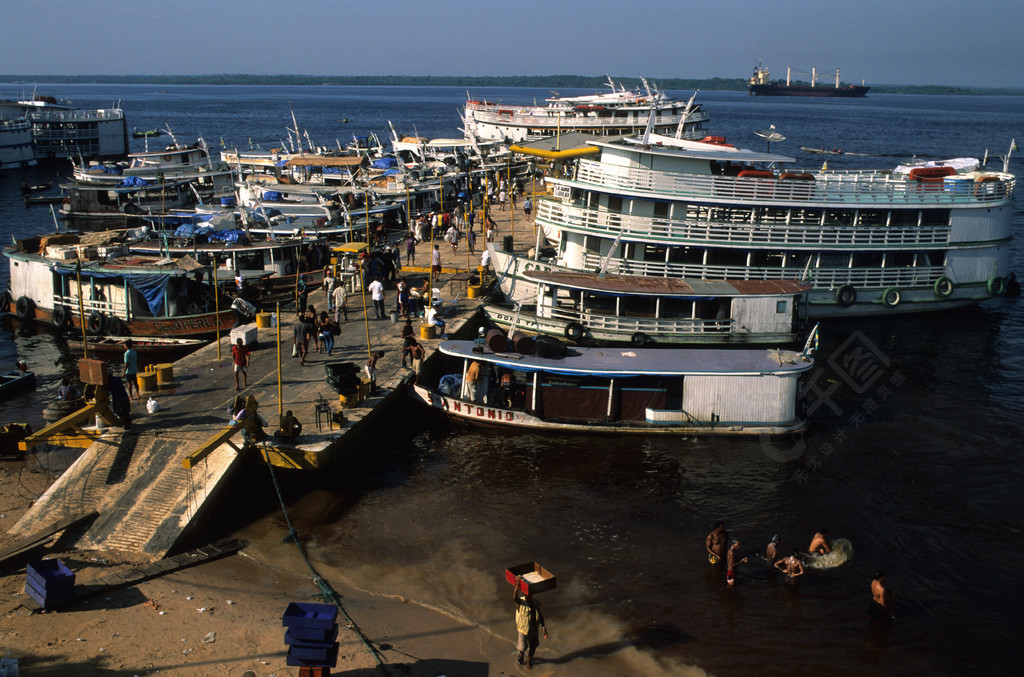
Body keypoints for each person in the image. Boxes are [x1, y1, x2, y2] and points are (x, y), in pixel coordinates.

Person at [513, 585, 547, 669]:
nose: (529, 596)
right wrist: (517, 585)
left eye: (531, 595)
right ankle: (521, 654)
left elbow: (540, 616)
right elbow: (514, 598)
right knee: (522, 647)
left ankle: (529, 662)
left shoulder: (536, 604)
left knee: (533, 647)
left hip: (533, 629)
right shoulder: (520, 603)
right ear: (525, 595)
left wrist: (544, 628)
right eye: (528, 595)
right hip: (523, 629)